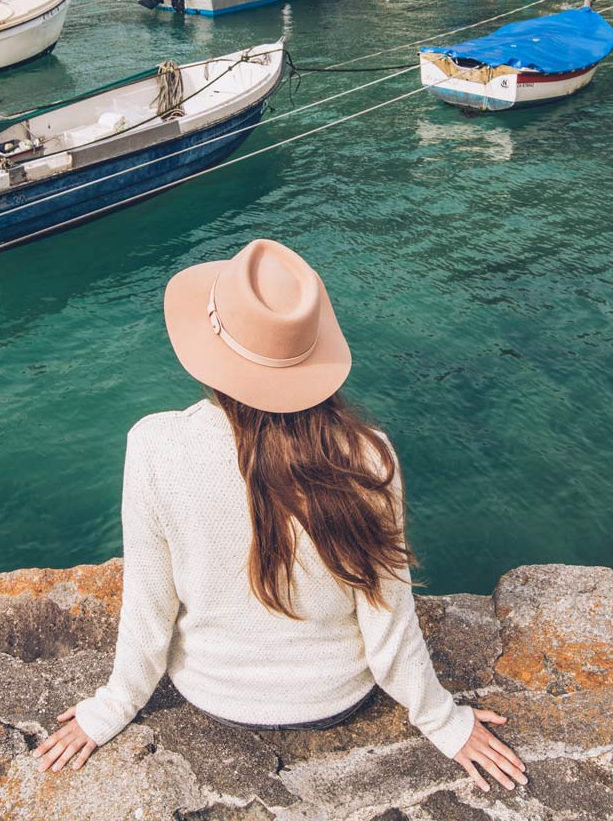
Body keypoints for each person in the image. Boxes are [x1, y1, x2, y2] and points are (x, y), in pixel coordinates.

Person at [36, 239, 527, 791]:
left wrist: (110, 709)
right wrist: (443, 720)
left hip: (212, 695)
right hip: (337, 699)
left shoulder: (154, 446)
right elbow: (388, 619)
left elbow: (149, 605)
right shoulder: (369, 457)